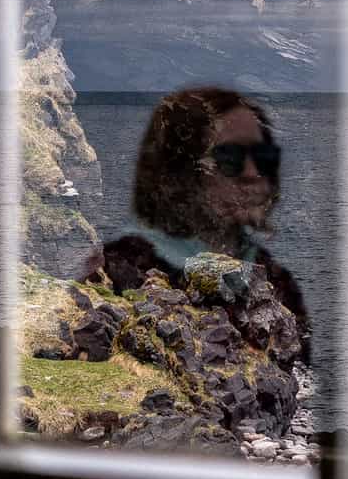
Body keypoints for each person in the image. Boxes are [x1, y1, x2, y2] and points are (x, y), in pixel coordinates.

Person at [85, 86, 309, 353]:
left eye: (264, 158)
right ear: (180, 172)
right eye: (230, 158)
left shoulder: (274, 277)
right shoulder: (123, 268)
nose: (253, 174)